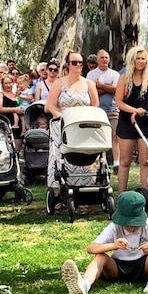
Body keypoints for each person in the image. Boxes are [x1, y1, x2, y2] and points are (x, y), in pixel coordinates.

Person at [61, 191, 148, 294]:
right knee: (100, 256)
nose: (132, 227)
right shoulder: (114, 227)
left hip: (143, 265)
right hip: (118, 268)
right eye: (127, 223)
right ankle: (84, 284)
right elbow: (91, 248)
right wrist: (113, 246)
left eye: (135, 223)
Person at [45, 51, 99, 191]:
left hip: (83, 125)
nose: (78, 65)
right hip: (63, 125)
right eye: (74, 62)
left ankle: (85, 190)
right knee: (61, 157)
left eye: (80, 62)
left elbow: (95, 105)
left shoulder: (89, 83)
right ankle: (59, 190)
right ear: (68, 65)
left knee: (84, 156)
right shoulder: (59, 82)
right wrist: (60, 116)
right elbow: (50, 105)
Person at [115, 46, 148, 194]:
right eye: (138, 58)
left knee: (145, 160)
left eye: (143, 58)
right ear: (132, 60)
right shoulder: (123, 79)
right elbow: (119, 102)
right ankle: (122, 195)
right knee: (125, 160)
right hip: (127, 122)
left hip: (145, 122)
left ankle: (145, 196)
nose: (140, 61)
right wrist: (134, 111)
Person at [87, 49, 120, 169]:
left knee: (115, 135)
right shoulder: (91, 75)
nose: (105, 60)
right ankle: (101, 162)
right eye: (102, 58)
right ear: (98, 59)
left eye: (106, 57)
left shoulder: (115, 74)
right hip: (97, 110)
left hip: (113, 109)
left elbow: (116, 90)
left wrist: (100, 86)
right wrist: (108, 87)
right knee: (98, 136)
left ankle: (117, 163)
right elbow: (92, 92)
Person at [0, 74, 25, 149]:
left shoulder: (16, 95)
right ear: (2, 84)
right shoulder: (0, 95)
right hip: (5, 123)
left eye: (10, 83)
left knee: (16, 149)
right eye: (6, 83)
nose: (8, 85)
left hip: (17, 126)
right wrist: (14, 109)